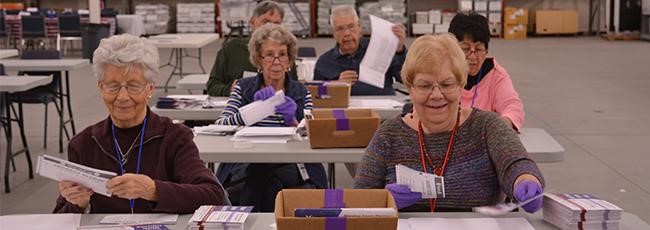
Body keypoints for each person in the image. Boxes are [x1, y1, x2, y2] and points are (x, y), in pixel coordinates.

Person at [353, 34, 544, 213]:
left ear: (461, 86)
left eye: (447, 84)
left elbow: (516, 163)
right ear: (410, 89)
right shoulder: (388, 135)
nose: (437, 95)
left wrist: (525, 180)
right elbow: (358, 199)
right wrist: (383, 199)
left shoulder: (487, 126)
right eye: (425, 85)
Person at [53, 34, 226, 214]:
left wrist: (153, 190)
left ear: (150, 88)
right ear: (100, 87)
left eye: (133, 86)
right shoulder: (84, 144)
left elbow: (212, 195)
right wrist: (77, 204)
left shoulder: (174, 137)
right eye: (112, 86)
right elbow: (58, 217)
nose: (122, 97)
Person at [214, 23, 327, 212]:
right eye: (269, 55)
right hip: (246, 160)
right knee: (266, 178)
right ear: (258, 59)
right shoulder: (244, 87)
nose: (276, 61)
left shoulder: (301, 92)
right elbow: (220, 125)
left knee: (264, 177)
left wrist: (293, 121)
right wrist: (251, 111)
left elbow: (314, 134)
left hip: (291, 162)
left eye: (282, 54)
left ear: (289, 59)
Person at [449, 12, 524, 131]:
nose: (473, 57)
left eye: (478, 49)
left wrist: (502, 125)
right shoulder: (442, 71)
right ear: (453, 50)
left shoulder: (496, 75)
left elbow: (512, 106)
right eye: (465, 49)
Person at [206, 0, 297, 97]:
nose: (271, 27)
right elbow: (212, 85)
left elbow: (294, 88)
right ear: (252, 22)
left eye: (276, 23)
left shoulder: (284, 53)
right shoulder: (231, 49)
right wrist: (230, 90)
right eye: (266, 22)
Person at [313, 5, 407, 95]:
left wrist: (399, 50)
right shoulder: (324, 62)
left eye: (351, 26)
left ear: (359, 28)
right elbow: (316, 96)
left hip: (385, 107)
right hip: (347, 110)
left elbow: (405, 79)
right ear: (333, 33)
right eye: (340, 29)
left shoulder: (378, 47)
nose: (346, 33)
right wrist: (336, 86)